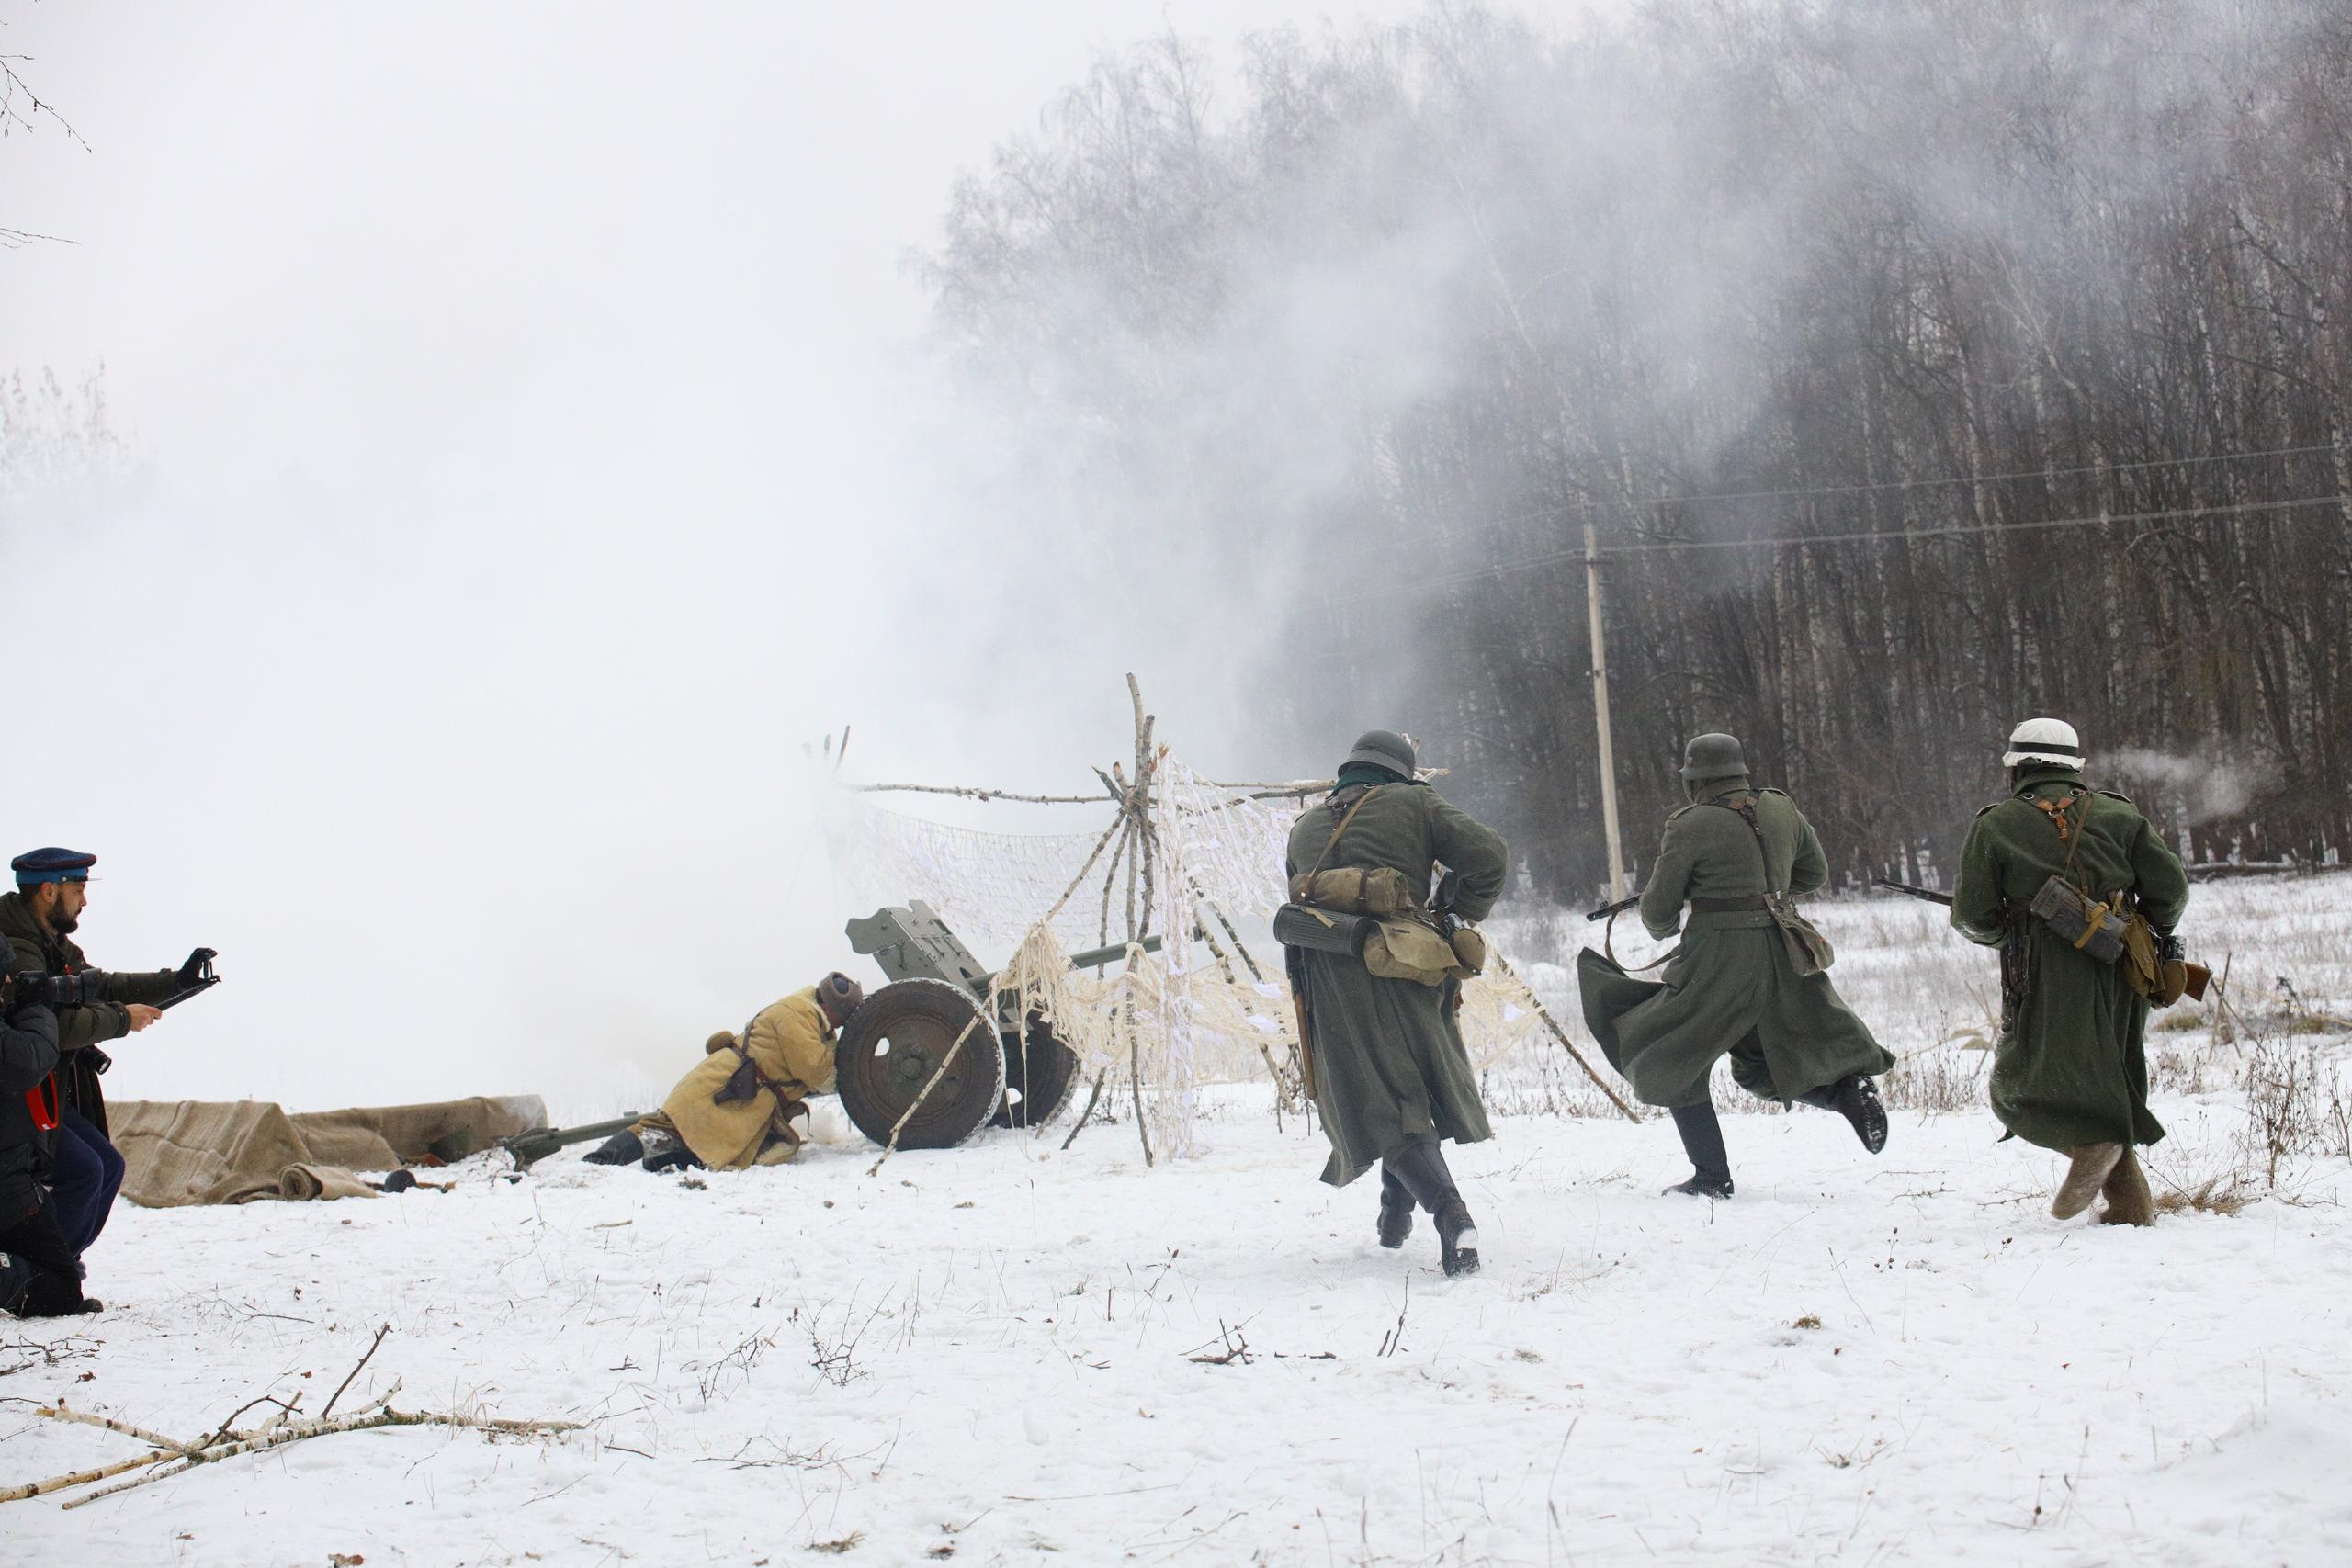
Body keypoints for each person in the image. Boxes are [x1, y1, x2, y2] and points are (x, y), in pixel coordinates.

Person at [1577, 734, 1894, 1199]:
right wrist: (1766, 886)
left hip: (1719, 959)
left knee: (1669, 1055)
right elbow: (1814, 874)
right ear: (1740, 771)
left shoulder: (1688, 824)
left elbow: (1659, 913)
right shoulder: (1780, 807)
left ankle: (1711, 1178)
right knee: (1762, 1056)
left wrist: (1680, 906)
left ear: (1694, 779)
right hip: (1786, 949)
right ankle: (1847, 1092)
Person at [1283, 728, 1506, 1277]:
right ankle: (1451, 1216)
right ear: (1399, 771)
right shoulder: (1414, 803)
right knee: (1401, 1095)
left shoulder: (1305, 827)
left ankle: (1394, 1218)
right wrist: (1458, 913)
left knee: (1386, 1094)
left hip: (1330, 976)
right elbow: (1489, 857)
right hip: (1406, 963)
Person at [1950, 718, 2189, 1226]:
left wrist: (2012, 933)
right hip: (2125, 963)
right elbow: (2170, 889)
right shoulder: (2119, 814)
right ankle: (2129, 1210)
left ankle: (2089, 1144)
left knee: (2016, 1085)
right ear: (2072, 766)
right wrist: (2147, 932)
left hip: (2043, 971)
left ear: (2018, 769)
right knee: (2115, 1075)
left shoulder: (1996, 824)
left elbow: (1972, 916)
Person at [0, 847, 208, 1263]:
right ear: (48, 891)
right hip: (18, 1101)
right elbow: (50, 1028)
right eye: (78, 889)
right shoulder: (19, 948)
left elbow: (101, 985)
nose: (84, 900)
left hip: (42, 1092)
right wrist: (121, 1020)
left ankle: (52, 1269)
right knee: (85, 1171)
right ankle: (38, 1273)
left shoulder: (48, 940)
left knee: (107, 1166)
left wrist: (177, 982)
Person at [586, 973, 865, 1172]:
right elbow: (816, 1072)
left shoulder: (804, 1014)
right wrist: (850, 1066)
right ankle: (597, 1165)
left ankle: (659, 1162)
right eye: (842, 1018)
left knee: (710, 1149)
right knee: (663, 1130)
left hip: (739, 1090)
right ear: (829, 1007)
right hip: (721, 1085)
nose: (839, 1025)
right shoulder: (798, 1015)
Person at [1, 979, 97, 1316]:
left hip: (15, 1179)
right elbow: (32, 1058)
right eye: (5, 976)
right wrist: (37, 1007)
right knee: (63, 1290)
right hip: (8, 1186)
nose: (10, 982)